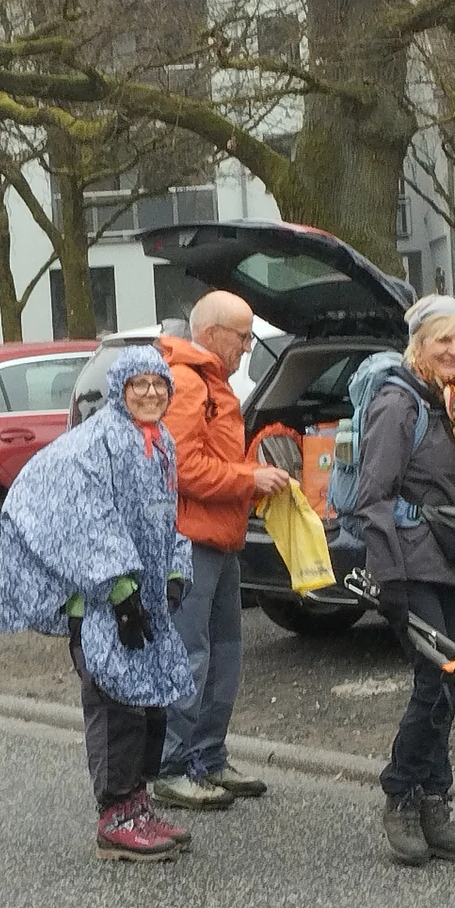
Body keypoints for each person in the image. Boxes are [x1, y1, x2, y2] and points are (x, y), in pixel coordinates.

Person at [0, 347, 197, 862]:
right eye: (139, 384)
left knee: (149, 706)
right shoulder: (94, 443)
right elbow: (81, 516)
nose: (151, 393)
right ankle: (114, 820)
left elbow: (169, 515)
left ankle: (136, 804)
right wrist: (119, 592)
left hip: (147, 604)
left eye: (159, 384)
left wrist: (175, 570)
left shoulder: (159, 442)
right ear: (120, 389)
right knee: (115, 709)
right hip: (107, 609)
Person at [357, 298, 455, 866]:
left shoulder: (454, 404)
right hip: (412, 567)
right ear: (418, 344)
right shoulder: (398, 405)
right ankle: (400, 795)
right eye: (445, 341)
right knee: (435, 680)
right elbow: (372, 499)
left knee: (449, 683)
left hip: (454, 567)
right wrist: (388, 579)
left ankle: (435, 805)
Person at [150, 291, 294, 811]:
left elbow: (206, 462)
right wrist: (247, 477)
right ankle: (171, 767)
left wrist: (252, 481)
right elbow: (181, 467)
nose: (248, 347)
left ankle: (207, 758)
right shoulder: (189, 383)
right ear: (212, 335)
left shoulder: (211, 384)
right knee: (192, 655)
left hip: (219, 538)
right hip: (192, 542)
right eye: (243, 336)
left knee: (224, 656)